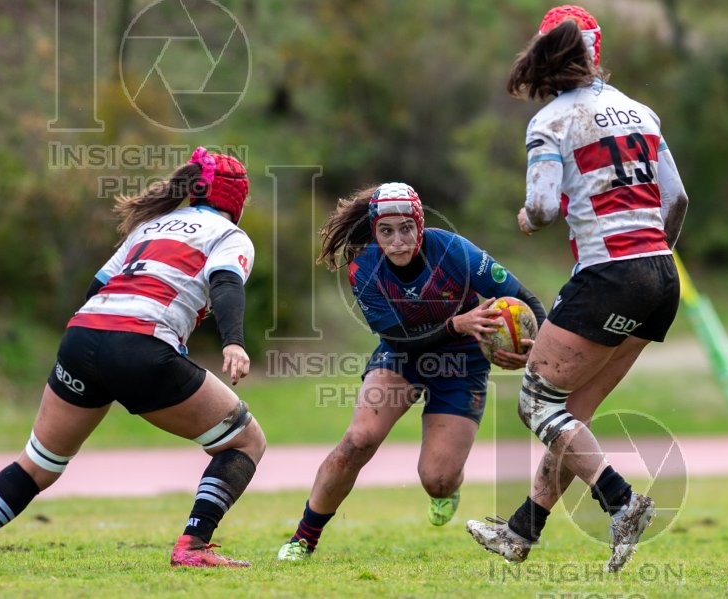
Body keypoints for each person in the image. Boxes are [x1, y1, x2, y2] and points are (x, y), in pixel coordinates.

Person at [0, 147, 267, 572]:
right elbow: (226, 283)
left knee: (39, 464)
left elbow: (97, 287)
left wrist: (102, 358)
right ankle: (192, 546)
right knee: (246, 440)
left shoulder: (150, 226)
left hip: (82, 337)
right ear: (237, 201)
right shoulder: (230, 236)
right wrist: (234, 342)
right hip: (139, 346)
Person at [465, 5, 689, 573]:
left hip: (610, 273)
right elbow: (678, 199)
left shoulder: (552, 120)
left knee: (537, 403)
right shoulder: (641, 111)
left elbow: (542, 206)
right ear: (596, 52)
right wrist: (650, 259)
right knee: (572, 416)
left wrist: (526, 216)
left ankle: (621, 501)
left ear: (545, 53)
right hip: (661, 275)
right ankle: (522, 532)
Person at [276, 182, 547, 561]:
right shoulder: (364, 268)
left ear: (420, 226)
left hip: (462, 362)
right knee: (358, 440)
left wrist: (530, 350)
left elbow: (528, 301)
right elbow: (398, 341)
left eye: (407, 229)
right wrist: (456, 324)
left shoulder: (455, 251)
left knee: (438, 480)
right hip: (402, 356)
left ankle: (448, 490)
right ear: (375, 232)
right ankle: (303, 539)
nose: (398, 241)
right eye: (386, 231)